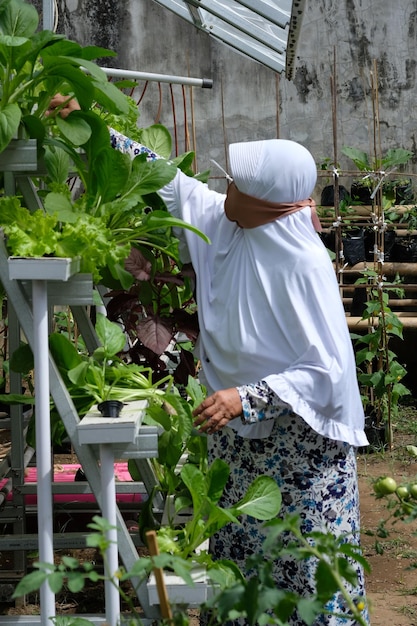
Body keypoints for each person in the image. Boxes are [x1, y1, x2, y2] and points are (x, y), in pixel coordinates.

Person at [49, 95, 370, 625]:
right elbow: (161, 175)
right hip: (237, 444)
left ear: (270, 201)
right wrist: (91, 119)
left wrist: (244, 398)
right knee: (242, 574)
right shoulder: (225, 222)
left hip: (300, 455)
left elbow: (326, 374)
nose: (228, 191)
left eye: (240, 185)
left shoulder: (303, 262)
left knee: (306, 575)